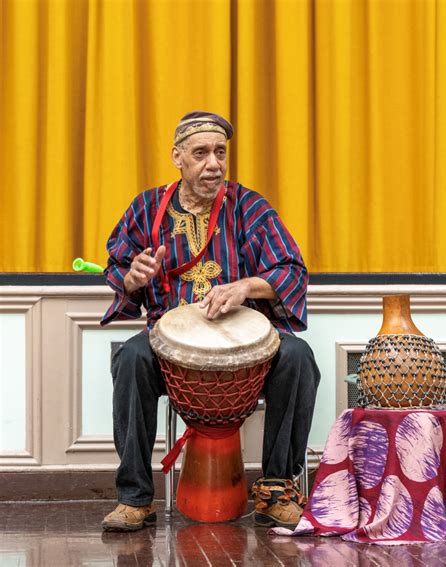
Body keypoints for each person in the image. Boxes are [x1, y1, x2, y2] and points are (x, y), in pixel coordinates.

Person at [100, 111, 321, 531]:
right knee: (130, 358)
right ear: (177, 157)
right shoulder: (147, 208)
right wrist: (131, 279)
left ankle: (276, 490)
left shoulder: (249, 206)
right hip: (170, 350)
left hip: (244, 352)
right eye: (200, 153)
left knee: (297, 357)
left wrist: (246, 287)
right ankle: (134, 498)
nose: (213, 164)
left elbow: (291, 269)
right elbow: (117, 266)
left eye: (220, 153)